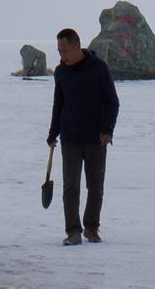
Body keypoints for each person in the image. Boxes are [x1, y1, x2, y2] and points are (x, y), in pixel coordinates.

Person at [46, 25, 117, 243]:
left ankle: (91, 227)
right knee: (70, 187)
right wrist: (52, 133)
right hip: (70, 138)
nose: (62, 56)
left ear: (77, 47)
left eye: (65, 51)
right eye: (59, 51)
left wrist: (107, 130)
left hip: (96, 138)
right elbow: (59, 104)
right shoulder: (61, 73)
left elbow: (112, 101)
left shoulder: (99, 69)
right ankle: (73, 231)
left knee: (95, 186)